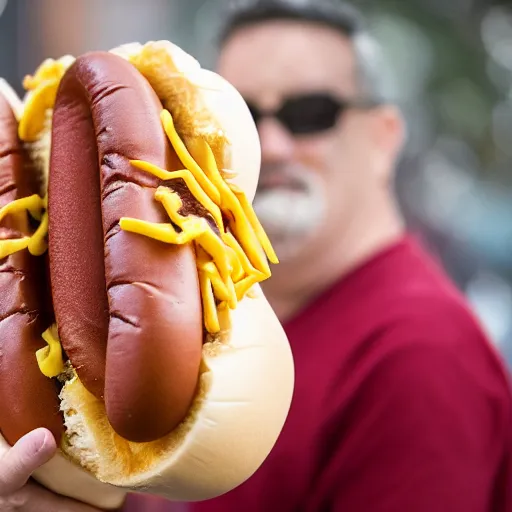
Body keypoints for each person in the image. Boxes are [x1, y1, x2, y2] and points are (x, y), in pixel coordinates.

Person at [1, 1, 512, 511]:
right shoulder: (236, 321)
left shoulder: (421, 354)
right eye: (248, 109)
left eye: (311, 113)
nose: (274, 144)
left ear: (383, 137)